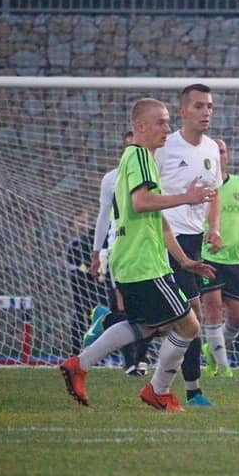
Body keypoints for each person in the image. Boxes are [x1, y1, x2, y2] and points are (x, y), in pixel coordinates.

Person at [59, 98, 216, 412]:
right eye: (161, 122)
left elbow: (160, 223)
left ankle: (80, 364)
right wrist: (187, 196)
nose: (167, 128)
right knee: (188, 326)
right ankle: (158, 390)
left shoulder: (136, 160)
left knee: (148, 326)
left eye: (168, 122)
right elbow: (142, 203)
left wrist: (185, 261)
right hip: (142, 264)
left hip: (135, 262)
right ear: (140, 126)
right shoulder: (141, 156)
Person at [153, 83, 224, 407]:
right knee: (190, 317)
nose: (206, 112)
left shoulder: (211, 148)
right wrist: (184, 199)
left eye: (209, 106)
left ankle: (114, 323)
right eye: (198, 106)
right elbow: (146, 196)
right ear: (182, 111)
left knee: (179, 320)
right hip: (167, 239)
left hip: (194, 242)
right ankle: (188, 390)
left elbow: (215, 192)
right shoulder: (165, 147)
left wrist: (214, 227)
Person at [82, 130, 148, 377]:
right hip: (120, 247)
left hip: (148, 248)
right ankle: (130, 361)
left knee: (151, 308)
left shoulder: (153, 172)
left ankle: (140, 357)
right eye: (130, 146)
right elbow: (103, 217)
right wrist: (96, 253)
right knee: (123, 307)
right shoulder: (111, 179)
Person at [199, 138, 239, 377]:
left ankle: (213, 349)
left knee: (237, 318)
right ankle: (223, 366)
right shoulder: (202, 185)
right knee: (213, 309)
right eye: (215, 151)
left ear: (227, 156)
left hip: (235, 260)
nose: (220, 155)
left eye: (223, 151)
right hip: (208, 256)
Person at [64, 209, 111, 355]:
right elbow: (74, 264)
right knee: (78, 317)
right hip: (80, 287)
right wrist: (87, 269)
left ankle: (104, 353)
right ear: (73, 224)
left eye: (84, 221)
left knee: (101, 317)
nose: (82, 224)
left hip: (98, 286)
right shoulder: (73, 245)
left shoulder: (95, 240)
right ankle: (76, 352)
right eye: (79, 221)